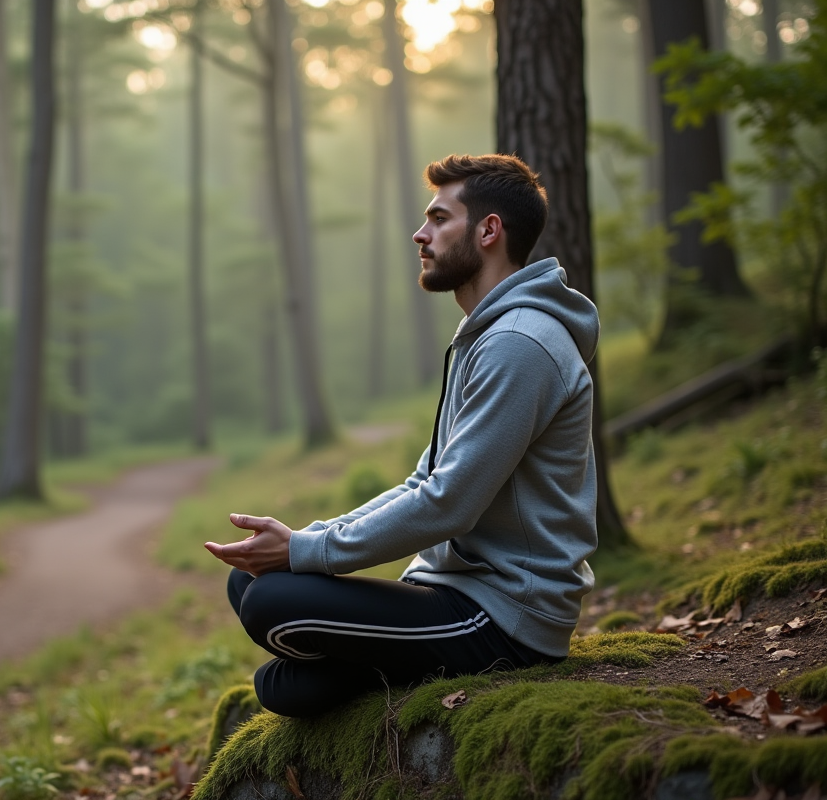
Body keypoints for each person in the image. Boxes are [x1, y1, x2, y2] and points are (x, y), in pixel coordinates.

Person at [204, 153, 600, 718]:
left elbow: (449, 504)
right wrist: (307, 540)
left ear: (489, 230)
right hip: (456, 590)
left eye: (440, 218)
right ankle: (379, 657)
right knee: (255, 600)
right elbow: (424, 480)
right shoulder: (485, 334)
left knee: (272, 603)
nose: (421, 233)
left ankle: (377, 654)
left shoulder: (520, 342)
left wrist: (304, 552)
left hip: (507, 617)